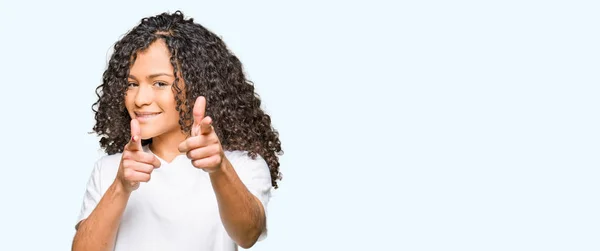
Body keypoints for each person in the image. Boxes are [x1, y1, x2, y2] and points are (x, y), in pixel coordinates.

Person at [71, 10, 283, 251]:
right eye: (132, 84)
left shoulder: (242, 165)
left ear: (196, 85)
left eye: (159, 83)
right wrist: (121, 186)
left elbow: (248, 235)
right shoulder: (110, 170)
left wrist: (219, 167)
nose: (140, 98)